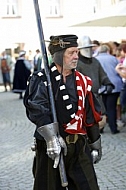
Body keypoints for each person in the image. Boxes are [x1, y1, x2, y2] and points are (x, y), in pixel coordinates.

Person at [24, 34, 102, 190]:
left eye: (76, 52)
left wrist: (95, 144)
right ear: (59, 56)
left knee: (88, 186)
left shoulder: (82, 80)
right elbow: (37, 108)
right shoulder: (41, 79)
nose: (75, 57)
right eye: (71, 53)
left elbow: (89, 115)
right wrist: (52, 139)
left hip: (79, 145)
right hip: (50, 147)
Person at [77, 35, 114, 133]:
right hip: (83, 99)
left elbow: (102, 75)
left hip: (96, 97)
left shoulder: (95, 61)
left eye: (89, 48)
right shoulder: (77, 63)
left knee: (100, 122)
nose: (88, 50)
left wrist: (108, 83)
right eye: (86, 48)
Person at [96, 44, 123, 134]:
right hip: (114, 85)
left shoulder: (95, 59)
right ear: (108, 50)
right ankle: (113, 128)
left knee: (101, 108)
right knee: (111, 108)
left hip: (101, 86)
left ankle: (101, 128)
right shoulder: (113, 58)